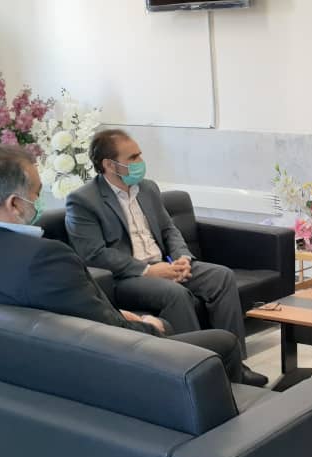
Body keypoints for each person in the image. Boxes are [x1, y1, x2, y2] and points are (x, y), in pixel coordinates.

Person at [0, 144, 254, 385]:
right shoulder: (46, 257)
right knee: (220, 343)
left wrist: (116, 314)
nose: (39, 202)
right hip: (93, 377)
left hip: (17, 374)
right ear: (15, 204)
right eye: (36, 193)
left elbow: (74, 315)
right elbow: (110, 335)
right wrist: (149, 325)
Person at [65, 129, 265, 386]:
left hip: (166, 265)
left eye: (140, 155)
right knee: (176, 294)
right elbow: (93, 254)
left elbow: (169, 229)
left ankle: (236, 366)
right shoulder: (83, 201)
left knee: (221, 277)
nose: (140, 162)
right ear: (109, 165)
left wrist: (183, 259)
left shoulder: (148, 188)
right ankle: (201, 373)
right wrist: (148, 271)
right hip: (127, 277)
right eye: (132, 158)